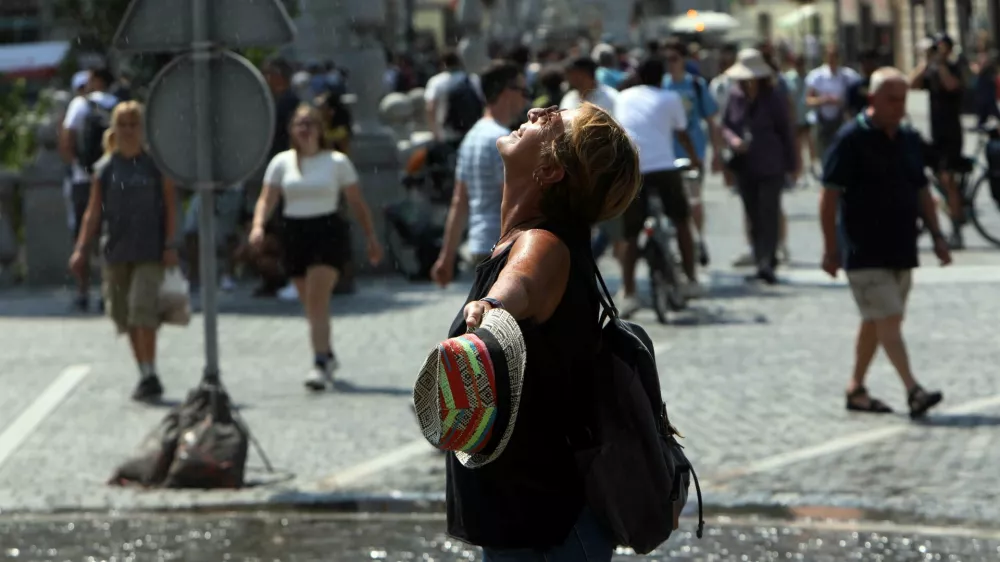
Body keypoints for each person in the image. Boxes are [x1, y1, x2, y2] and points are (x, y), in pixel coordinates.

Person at [445, 103, 640, 561]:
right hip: (534, 526)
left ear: (550, 170)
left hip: (547, 533)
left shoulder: (542, 244)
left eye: (551, 120)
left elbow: (522, 285)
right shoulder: (530, 238)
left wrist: (492, 304)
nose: (537, 109)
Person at [820, 67, 949, 419]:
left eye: (903, 99)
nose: (899, 106)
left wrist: (938, 237)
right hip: (863, 250)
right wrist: (831, 249)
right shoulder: (851, 138)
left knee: (878, 323)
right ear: (873, 98)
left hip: (901, 247)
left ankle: (856, 387)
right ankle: (913, 390)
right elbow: (829, 196)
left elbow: (922, 190)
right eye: (892, 99)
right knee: (888, 318)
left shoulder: (907, 137)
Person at [249, 105, 383, 392]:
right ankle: (328, 353)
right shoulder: (281, 163)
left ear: (320, 129)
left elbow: (357, 203)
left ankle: (319, 362)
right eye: (299, 124)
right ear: (291, 130)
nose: (305, 128)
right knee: (310, 305)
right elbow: (267, 199)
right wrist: (258, 225)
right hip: (294, 233)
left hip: (328, 232)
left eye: (310, 123)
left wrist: (371, 238)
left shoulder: (336, 162)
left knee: (317, 298)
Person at [68, 101, 179, 402]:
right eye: (124, 125)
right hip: (116, 251)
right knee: (125, 315)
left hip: (150, 250)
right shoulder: (104, 168)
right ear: (115, 129)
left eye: (134, 124)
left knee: (143, 310)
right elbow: (93, 213)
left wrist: (170, 243)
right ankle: (144, 370)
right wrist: (81, 249)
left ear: (143, 129)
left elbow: (170, 205)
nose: (129, 130)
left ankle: (152, 371)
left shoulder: (155, 165)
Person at [614, 57, 703, 315]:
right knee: (681, 220)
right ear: (661, 77)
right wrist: (695, 159)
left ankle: (629, 292)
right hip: (664, 168)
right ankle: (690, 279)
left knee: (631, 235)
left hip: (633, 171)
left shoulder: (623, 98)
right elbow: (682, 133)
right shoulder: (669, 98)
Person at [431, 61, 529, 286]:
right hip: (504, 247)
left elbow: (459, 202)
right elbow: (513, 199)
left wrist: (446, 257)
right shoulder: (503, 139)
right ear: (507, 92)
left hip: (479, 245)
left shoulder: (471, 137)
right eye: (524, 91)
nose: (526, 99)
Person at [721, 49, 796, 285]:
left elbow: (786, 130)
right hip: (745, 165)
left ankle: (768, 262)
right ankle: (758, 258)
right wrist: (733, 141)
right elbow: (726, 125)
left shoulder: (774, 97)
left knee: (769, 212)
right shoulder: (735, 96)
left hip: (770, 162)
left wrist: (792, 163)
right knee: (752, 214)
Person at [60, 68, 120, 312]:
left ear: (95, 81)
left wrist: (78, 167)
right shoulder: (117, 103)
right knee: (110, 236)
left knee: (83, 234)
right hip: (113, 179)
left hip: (83, 179)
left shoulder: (79, 104)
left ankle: (83, 291)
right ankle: (109, 291)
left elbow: (66, 140)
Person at [662, 38, 724, 267]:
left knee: (694, 200)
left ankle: (698, 238)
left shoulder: (695, 85)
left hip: (694, 152)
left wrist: (717, 153)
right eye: (666, 60)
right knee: (675, 203)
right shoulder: (661, 85)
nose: (670, 64)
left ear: (683, 60)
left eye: (674, 59)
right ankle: (682, 242)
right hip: (667, 154)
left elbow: (711, 119)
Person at [909, 33, 967, 249]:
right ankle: (947, 207)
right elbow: (911, 84)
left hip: (952, 134)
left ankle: (956, 228)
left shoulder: (954, 67)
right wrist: (925, 61)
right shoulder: (931, 69)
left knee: (948, 179)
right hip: (936, 133)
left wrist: (941, 63)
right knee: (923, 169)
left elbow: (952, 85)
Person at [805, 45, 860, 164]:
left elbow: (855, 96)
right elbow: (809, 99)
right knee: (823, 151)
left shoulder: (847, 76)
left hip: (840, 119)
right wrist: (823, 100)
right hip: (822, 120)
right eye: (829, 57)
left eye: (834, 57)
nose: (832, 60)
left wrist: (841, 101)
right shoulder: (817, 76)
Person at [424, 50, 483, 145]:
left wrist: (435, 133)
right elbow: (482, 102)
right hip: (473, 131)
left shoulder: (436, 82)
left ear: (443, 63)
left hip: (448, 134)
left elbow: (430, 107)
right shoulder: (472, 79)